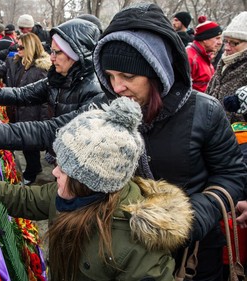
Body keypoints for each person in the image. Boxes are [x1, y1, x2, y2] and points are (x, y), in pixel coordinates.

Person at [0, 97, 194, 281]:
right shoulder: (70, 195)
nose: (54, 172)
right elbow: (23, 198)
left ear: (89, 180)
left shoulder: (138, 244)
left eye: (64, 169)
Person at [90, 3, 246, 280]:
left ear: (156, 71)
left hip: (194, 255)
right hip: (127, 252)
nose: (117, 87)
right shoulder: (109, 106)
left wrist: (191, 218)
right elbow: (50, 129)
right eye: (110, 77)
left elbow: (231, 174)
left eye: (128, 76)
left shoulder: (205, 111)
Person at [0, 18, 105, 184]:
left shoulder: (95, 93)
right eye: (52, 51)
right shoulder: (60, 77)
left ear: (76, 54)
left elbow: (48, 131)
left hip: (83, 174)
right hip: (64, 162)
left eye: (58, 52)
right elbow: (22, 93)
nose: (52, 57)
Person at [0, 32, 52, 185]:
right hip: (15, 110)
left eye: (21, 47)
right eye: (17, 46)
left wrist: (45, 122)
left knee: (29, 144)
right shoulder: (13, 62)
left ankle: (32, 172)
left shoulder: (41, 70)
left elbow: (46, 101)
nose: (17, 49)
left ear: (31, 48)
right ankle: (34, 168)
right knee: (24, 144)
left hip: (32, 113)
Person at [206, 11, 247, 123]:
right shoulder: (224, 62)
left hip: (239, 136)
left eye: (234, 43)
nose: (227, 48)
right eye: (226, 42)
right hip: (214, 132)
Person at [186, 16, 223, 92]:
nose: (220, 42)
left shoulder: (204, 56)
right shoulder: (190, 57)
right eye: (217, 38)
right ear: (205, 39)